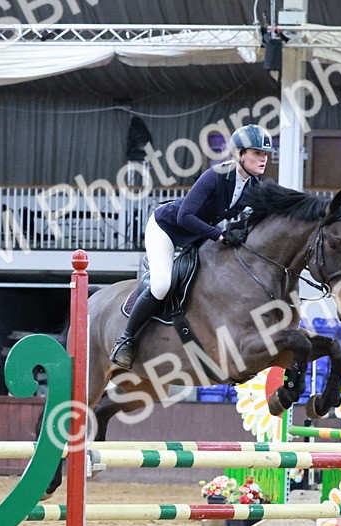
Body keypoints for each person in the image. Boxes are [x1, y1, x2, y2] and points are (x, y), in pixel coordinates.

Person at [110, 123, 276, 369]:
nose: (263, 159)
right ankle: (126, 341)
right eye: (257, 153)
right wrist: (219, 235)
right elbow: (184, 216)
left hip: (196, 236)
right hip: (166, 229)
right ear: (239, 154)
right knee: (162, 284)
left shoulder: (253, 186)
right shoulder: (215, 176)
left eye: (265, 155)